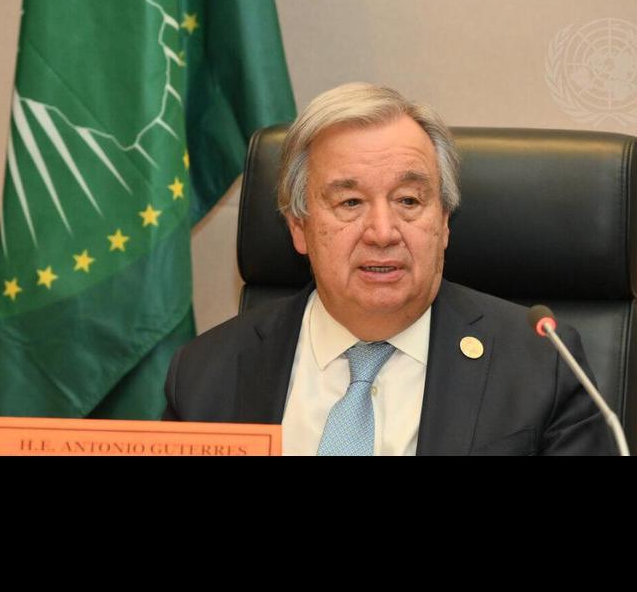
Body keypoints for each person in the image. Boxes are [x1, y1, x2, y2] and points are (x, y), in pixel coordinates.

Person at [162, 82, 614, 455]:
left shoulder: (541, 365)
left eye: (408, 201)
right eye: (350, 202)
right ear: (299, 226)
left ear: (443, 221)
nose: (382, 232)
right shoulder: (206, 374)